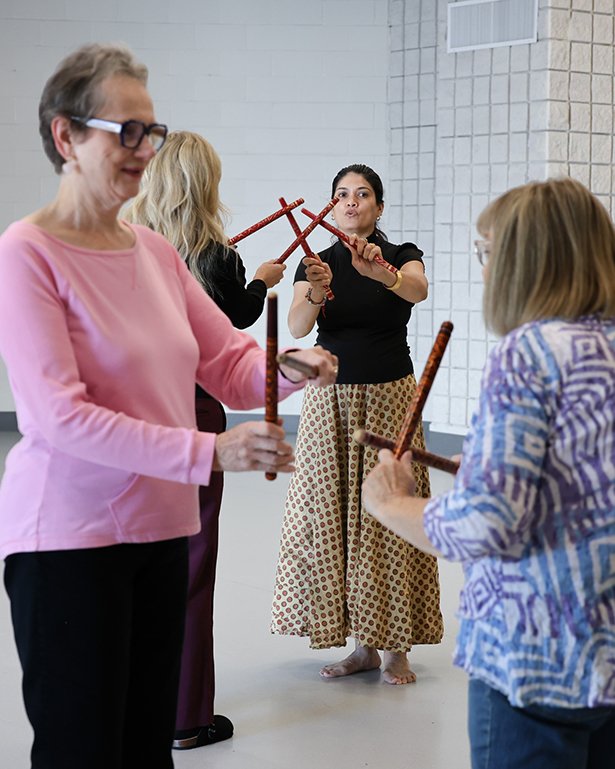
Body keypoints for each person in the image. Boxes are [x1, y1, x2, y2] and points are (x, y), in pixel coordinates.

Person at [0, 43, 337, 769]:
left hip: (160, 529)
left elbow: (229, 365)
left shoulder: (154, 251)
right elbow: (58, 416)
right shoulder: (28, 251)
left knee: (145, 749)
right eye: (126, 131)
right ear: (66, 136)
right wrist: (209, 450)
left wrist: (291, 367)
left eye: (150, 131)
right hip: (69, 541)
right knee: (84, 750)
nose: (145, 149)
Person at [362, 178, 615, 768]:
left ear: (525, 261)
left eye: (488, 251)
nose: (484, 269)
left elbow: (485, 525)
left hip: (537, 654)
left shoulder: (528, 354)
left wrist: (391, 501)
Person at [124, 130, 286, 750]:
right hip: (192, 413)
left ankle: (140, 702)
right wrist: (262, 283)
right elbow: (231, 328)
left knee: (136, 564)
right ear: (204, 184)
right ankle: (186, 715)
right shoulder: (214, 255)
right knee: (189, 566)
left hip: (133, 420)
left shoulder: (123, 244)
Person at [271, 164, 443, 685]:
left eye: (363, 194)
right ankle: (360, 646)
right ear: (331, 204)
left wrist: (381, 273)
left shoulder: (401, 254)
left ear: (379, 207)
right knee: (334, 518)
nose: (351, 202)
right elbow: (297, 325)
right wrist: (316, 290)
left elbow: (417, 290)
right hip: (330, 403)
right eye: (342, 194)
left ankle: (394, 647)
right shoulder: (317, 262)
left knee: (389, 518)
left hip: (391, 398)